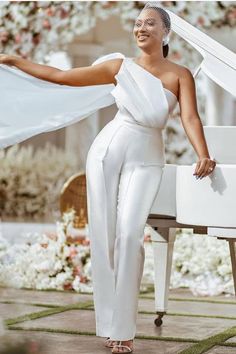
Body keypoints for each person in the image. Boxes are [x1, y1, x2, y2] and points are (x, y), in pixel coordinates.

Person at [0, 2, 216, 353]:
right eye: (137, 23)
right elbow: (61, 77)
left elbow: (190, 118)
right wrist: (15, 62)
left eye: (150, 23)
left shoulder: (180, 74)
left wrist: (203, 153)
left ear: (165, 32)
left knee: (131, 235)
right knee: (103, 234)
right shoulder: (119, 66)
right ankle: (113, 325)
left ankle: (124, 327)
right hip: (108, 150)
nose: (141, 28)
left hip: (148, 156)